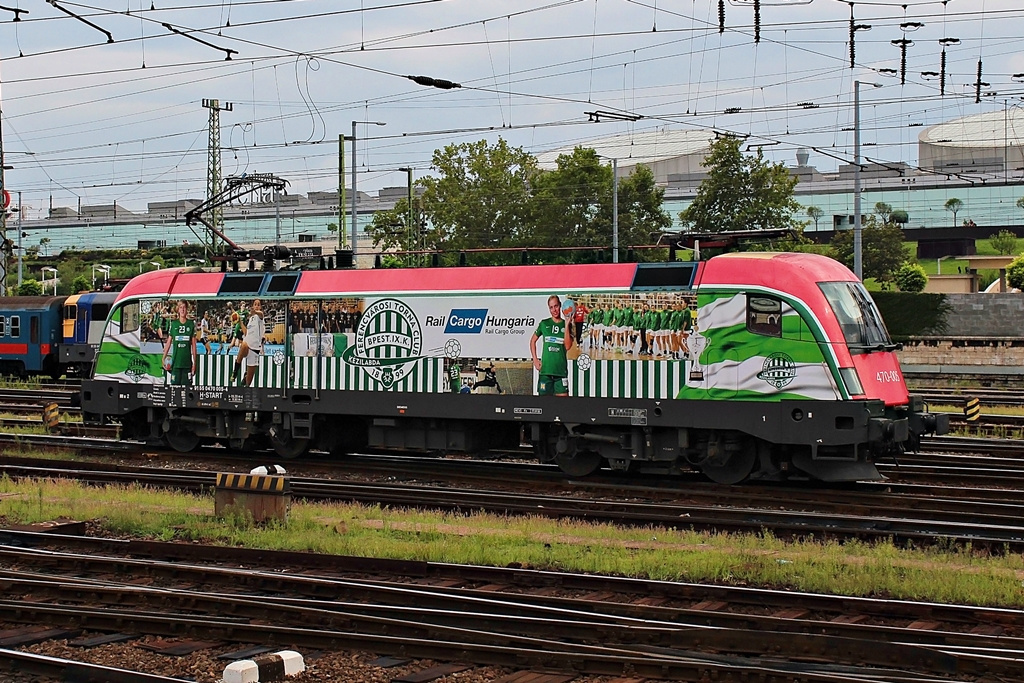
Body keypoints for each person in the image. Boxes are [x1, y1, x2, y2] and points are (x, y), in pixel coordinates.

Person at [529, 295, 573, 396]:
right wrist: (535, 360)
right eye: (551, 307)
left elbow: (567, 346)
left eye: (556, 306)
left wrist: (566, 325)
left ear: (560, 306)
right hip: (546, 372)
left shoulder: (567, 324)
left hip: (560, 372)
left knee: (563, 407)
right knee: (544, 407)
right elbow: (532, 341)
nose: (554, 310)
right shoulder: (544, 323)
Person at [162, 300, 197, 386]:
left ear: (187, 310)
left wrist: (195, 363)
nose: (182, 310)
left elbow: (194, 346)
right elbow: (169, 342)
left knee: (187, 390)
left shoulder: (191, 324)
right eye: (181, 307)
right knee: (174, 390)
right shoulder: (174, 324)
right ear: (178, 310)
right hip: (175, 365)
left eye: (184, 307)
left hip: (187, 365)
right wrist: (163, 358)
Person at [231, 299, 264, 386]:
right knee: (244, 345)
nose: (256, 306)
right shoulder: (250, 319)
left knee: (248, 383)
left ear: (260, 307)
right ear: (253, 306)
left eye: (258, 304)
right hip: (247, 346)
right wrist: (240, 322)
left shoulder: (260, 317)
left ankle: (246, 378)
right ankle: (235, 372)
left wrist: (255, 312)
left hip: (255, 350)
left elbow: (261, 314)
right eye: (255, 304)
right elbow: (246, 333)